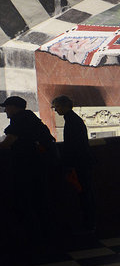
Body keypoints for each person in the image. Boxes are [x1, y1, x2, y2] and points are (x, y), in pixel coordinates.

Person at [1, 95, 58, 250]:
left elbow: (8, 142)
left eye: (6, 107)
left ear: (13, 107)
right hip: (41, 167)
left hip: (28, 169)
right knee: (41, 201)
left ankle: (34, 238)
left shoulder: (19, 120)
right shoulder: (32, 118)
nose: (5, 110)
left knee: (29, 202)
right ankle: (46, 237)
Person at [51, 95, 96, 231]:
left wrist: (67, 163)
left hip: (78, 163)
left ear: (64, 106)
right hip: (83, 161)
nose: (55, 110)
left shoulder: (71, 121)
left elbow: (72, 145)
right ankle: (89, 222)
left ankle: (88, 223)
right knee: (85, 192)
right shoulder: (74, 119)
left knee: (83, 192)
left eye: (57, 107)